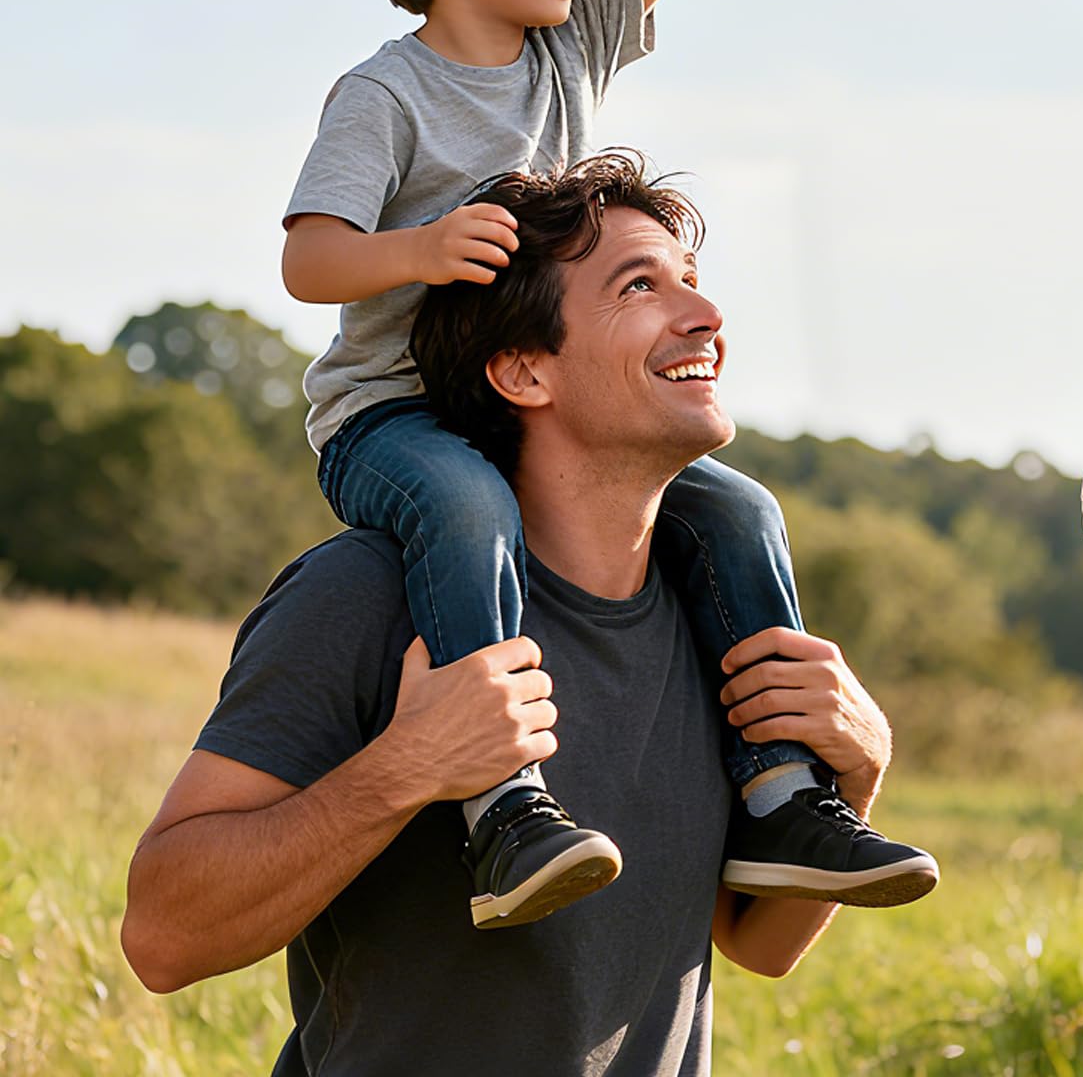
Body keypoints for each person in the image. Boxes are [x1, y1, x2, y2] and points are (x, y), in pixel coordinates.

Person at [274, 0, 929, 929]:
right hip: (396, 420)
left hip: (540, 405)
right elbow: (309, 259)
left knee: (738, 512)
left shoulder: (574, 48)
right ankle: (505, 805)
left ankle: (781, 794)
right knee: (467, 511)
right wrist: (421, 250)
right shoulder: (385, 94)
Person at [122, 155, 936, 1076]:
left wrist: (858, 769)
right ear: (522, 371)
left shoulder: (720, 619)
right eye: (639, 286)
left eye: (692, 280)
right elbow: (162, 938)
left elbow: (761, 943)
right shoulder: (365, 596)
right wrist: (406, 770)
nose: (706, 314)